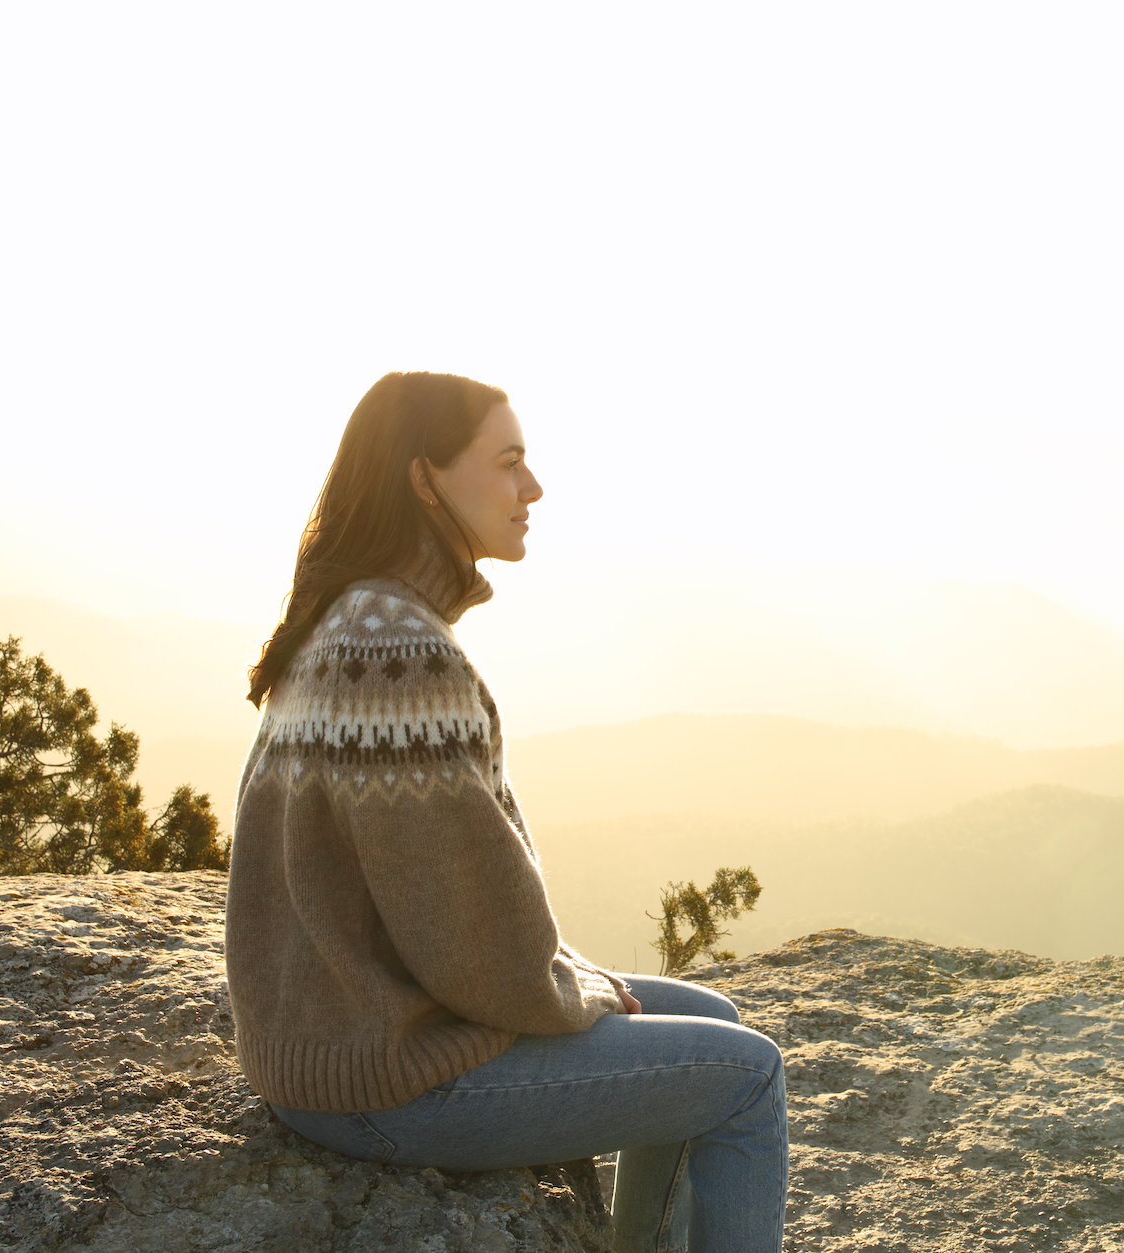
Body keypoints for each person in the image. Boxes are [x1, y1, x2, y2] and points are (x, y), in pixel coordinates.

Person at [225, 371, 787, 1252]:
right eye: (509, 462)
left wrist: (585, 990)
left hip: (324, 1054)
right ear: (425, 479)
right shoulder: (402, 655)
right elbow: (479, 947)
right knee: (748, 1076)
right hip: (387, 1084)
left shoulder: (350, 619)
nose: (533, 488)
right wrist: (582, 993)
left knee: (710, 1017)